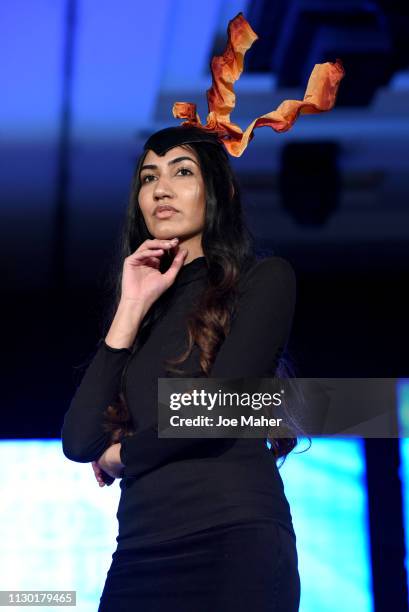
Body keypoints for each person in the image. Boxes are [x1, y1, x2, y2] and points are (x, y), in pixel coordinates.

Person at [61, 12, 344, 611]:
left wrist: (123, 456)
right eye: (148, 177)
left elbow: (217, 408)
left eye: (181, 172)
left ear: (220, 192)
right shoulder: (145, 311)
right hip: (139, 553)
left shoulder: (264, 281)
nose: (160, 189)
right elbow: (79, 438)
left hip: (232, 538)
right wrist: (131, 305)